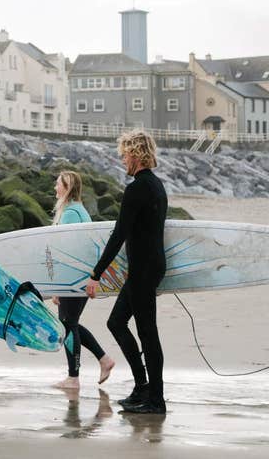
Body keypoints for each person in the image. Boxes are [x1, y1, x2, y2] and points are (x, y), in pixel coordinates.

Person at [85, 130, 168, 414]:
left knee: (148, 333)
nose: (122, 160)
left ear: (135, 154)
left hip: (144, 269)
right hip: (149, 266)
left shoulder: (137, 189)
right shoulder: (156, 186)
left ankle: (156, 401)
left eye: (124, 154)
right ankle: (142, 387)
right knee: (117, 322)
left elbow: (119, 234)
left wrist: (96, 274)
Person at [50, 171, 115, 389]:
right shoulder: (77, 210)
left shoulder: (70, 213)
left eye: (58, 184)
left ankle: (73, 377)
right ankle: (104, 360)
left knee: (67, 325)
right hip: (78, 277)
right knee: (70, 323)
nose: (55, 188)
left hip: (73, 279)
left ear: (67, 188)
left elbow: (67, 252)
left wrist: (59, 287)